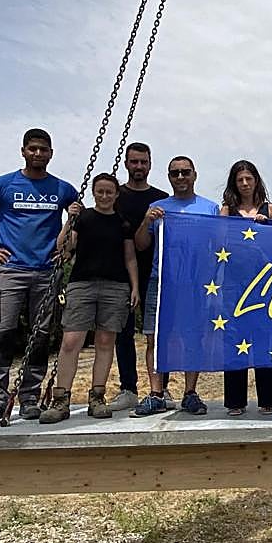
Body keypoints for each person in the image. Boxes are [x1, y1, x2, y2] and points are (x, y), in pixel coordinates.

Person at [0, 128, 79, 428]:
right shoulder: (1, 185)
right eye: (33, 149)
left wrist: (67, 250)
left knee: (40, 337)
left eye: (44, 149)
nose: (38, 154)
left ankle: (29, 397)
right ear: (24, 151)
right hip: (10, 271)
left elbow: (78, 221)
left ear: (51, 153)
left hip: (46, 274)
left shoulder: (62, 189)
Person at [39, 173, 139, 424]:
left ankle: (97, 396)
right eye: (100, 192)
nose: (104, 196)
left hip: (116, 286)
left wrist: (134, 287)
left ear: (116, 195)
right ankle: (61, 399)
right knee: (72, 341)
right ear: (93, 193)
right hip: (82, 284)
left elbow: (129, 257)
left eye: (109, 192)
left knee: (106, 342)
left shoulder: (122, 223)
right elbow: (63, 248)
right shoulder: (83, 219)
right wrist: (68, 221)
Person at [132, 155, 220, 416]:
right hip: (161, 281)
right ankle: (156, 393)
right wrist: (147, 221)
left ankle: (190, 393)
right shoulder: (157, 207)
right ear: (169, 177)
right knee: (155, 338)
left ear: (194, 175)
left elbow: (218, 247)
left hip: (195, 284)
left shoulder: (210, 208)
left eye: (185, 172)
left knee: (193, 337)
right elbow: (140, 245)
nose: (180, 177)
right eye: (175, 173)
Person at [219, 160, 272, 416]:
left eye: (249, 179)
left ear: (256, 180)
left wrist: (265, 228)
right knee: (234, 340)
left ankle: (268, 399)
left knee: (266, 341)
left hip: (265, 285)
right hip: (234, 285)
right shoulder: (227, 210)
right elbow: (219, 242)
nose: (245, 184)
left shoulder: (270, 208)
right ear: (234, 183)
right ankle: (235, 401)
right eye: (240, 180)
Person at [111, 142, 169, 411]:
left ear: (150, 164)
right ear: (126, 163)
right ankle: (128, 388)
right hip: (119, 272)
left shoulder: (162, 198)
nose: (138, 167)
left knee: (158, 334)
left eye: (143, 162)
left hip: (157, 272)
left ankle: (161, 389)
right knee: (122, 331)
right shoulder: (115, 196)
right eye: (134, 162)